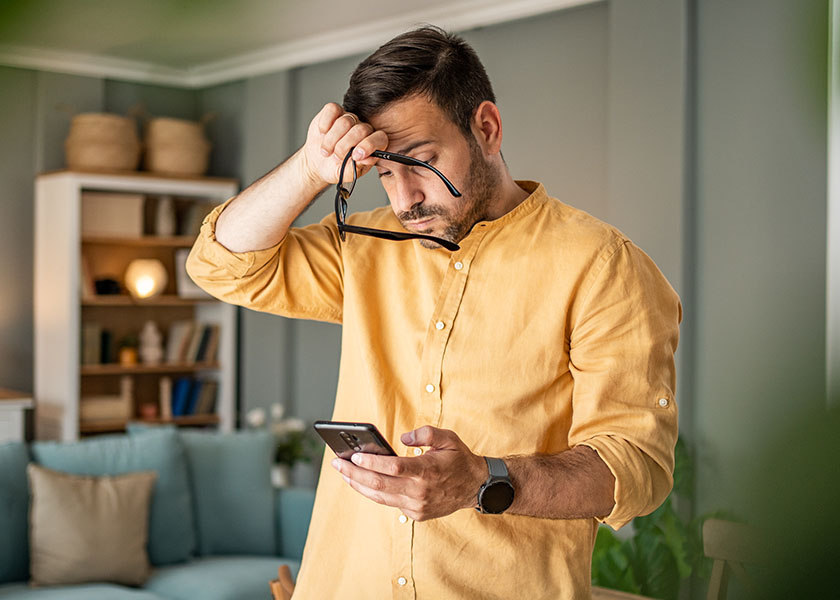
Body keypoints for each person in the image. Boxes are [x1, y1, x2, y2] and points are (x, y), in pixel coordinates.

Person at [187, 26, 681, 600]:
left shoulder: (603, 266)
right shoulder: (365, 244)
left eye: (420, 162)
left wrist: (486, 481)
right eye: (385, 173)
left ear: (487, 128)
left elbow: (635, 466)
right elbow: (219, 265)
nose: (403, 200)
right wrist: (310, 169)